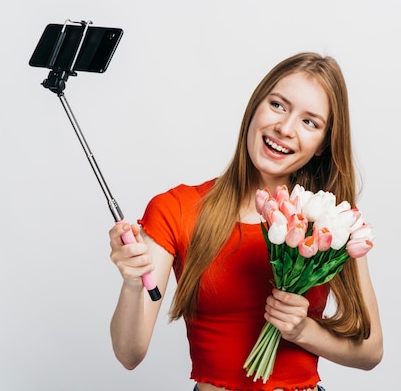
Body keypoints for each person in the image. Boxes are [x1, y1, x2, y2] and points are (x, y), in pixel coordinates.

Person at [109, 52, 383, 391]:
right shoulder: (175, 208)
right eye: (278, 105)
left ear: (323, 145)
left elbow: (370, 351)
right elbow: (129, 354)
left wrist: (303, 331)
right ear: (255, 106)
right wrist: (134, 283)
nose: (285, 128)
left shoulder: (331, 221)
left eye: (309, 122)